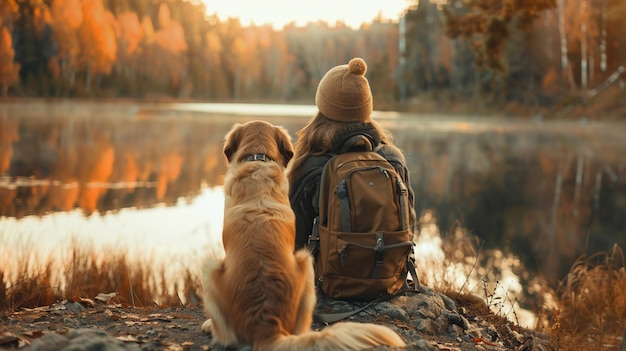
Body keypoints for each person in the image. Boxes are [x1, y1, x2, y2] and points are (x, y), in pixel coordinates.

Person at [287, 57, 417, 250]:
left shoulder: (310, 165)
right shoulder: (393, 159)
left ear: (323, 108)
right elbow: (409, 227)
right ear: (366, 108)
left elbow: (292, 242)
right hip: (390, 277)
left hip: (327, 279)